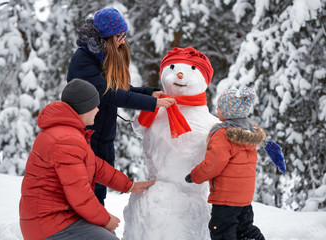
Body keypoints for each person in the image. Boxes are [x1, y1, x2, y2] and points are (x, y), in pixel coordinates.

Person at [19, 79, 155, 240]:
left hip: (55, 218)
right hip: (49, 224)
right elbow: (79, 192)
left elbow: (96, 166)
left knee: (105, 233)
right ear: (84, 108)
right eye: (94, 105)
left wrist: (129, 185)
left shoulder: (66, 133)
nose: (98, 109)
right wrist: (105, 219)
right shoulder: (66, 139)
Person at [67, 8, 176, 205]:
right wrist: (151, 103)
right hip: (86, 136)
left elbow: (117, 87)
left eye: (124, 36)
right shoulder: (83, 59)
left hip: (103, 135)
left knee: (99, 189)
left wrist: (148, 93)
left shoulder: (101, 55)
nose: (123, 41)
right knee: (88, 190)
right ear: (106, 37)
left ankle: (96, 228)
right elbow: (108, 93)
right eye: (119, 36)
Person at [185, 87, 266, 240]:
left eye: (220, 108)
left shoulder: (223, 134)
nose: (217, 110)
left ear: (229, 112)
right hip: (244, 198)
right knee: (245, 229)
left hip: (226, 198)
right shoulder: (250, 133)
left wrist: (195, 175)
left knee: (221, 231)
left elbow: (214, 162)